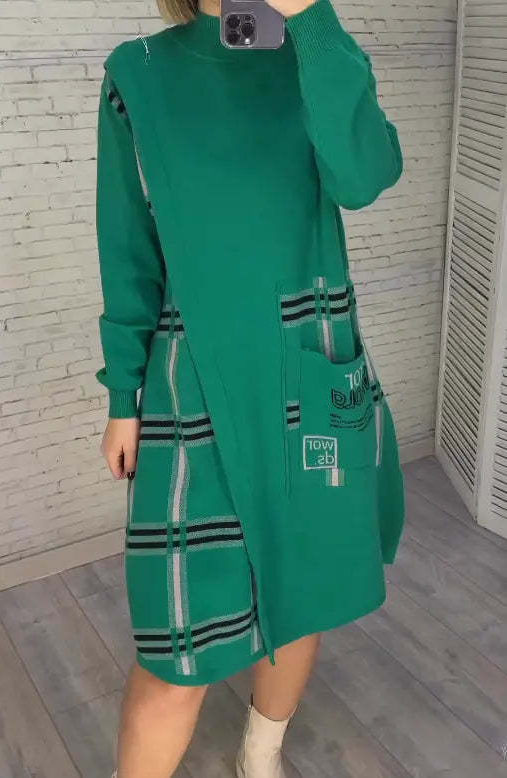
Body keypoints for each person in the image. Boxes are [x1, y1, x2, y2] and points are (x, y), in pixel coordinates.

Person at [95, 0, 405, 775]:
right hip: (191, 387)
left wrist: (313, 20)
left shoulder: (317, 55)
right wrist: (122, 396)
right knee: (175, 653)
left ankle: (260, 754)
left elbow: (365, 175)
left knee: (305, 593)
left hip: (311, 374)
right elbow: (128, 250)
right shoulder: (139, 73)